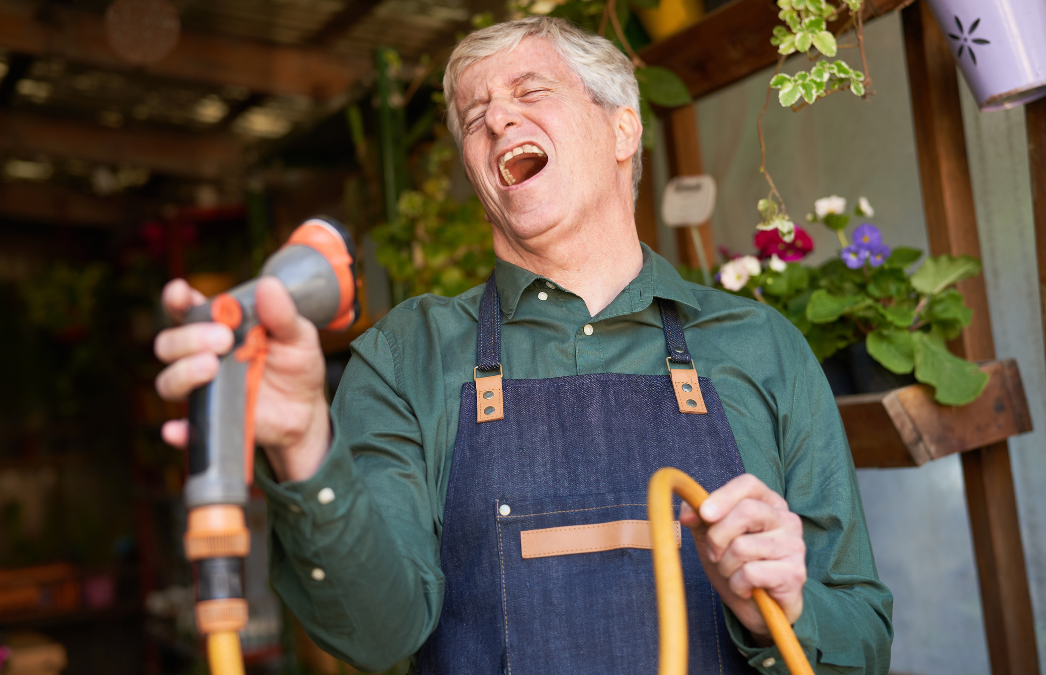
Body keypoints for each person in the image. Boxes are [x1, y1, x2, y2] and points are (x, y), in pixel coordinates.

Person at [154, 16, 893, 674]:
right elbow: (376, 635)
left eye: (530, 92)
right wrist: (304, 446)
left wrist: (787, 608)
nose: (497, 119)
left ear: (622, 128)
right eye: (473, 117)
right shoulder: (407, 356)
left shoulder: (760, 348)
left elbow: (862, 640)